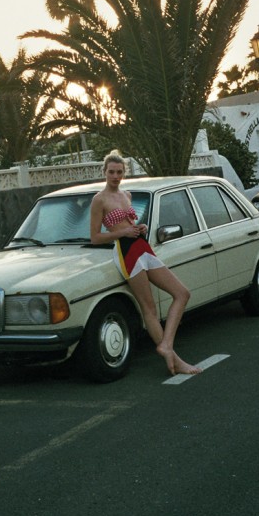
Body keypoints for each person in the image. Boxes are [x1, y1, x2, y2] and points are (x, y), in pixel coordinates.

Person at [90, 151, 201, 377]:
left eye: (119, 172)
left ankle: (166, 345)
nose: (115, 176)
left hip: (142, 247)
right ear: (104, 172)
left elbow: (129, 222)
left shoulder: (127, 195)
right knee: (148, 307)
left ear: (124, 173)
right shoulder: (99, 200)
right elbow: (95, 237)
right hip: (125, 252)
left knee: (182, 293)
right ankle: (175, 360)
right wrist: (123, 231)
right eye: (111, 172)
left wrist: (139, 228)